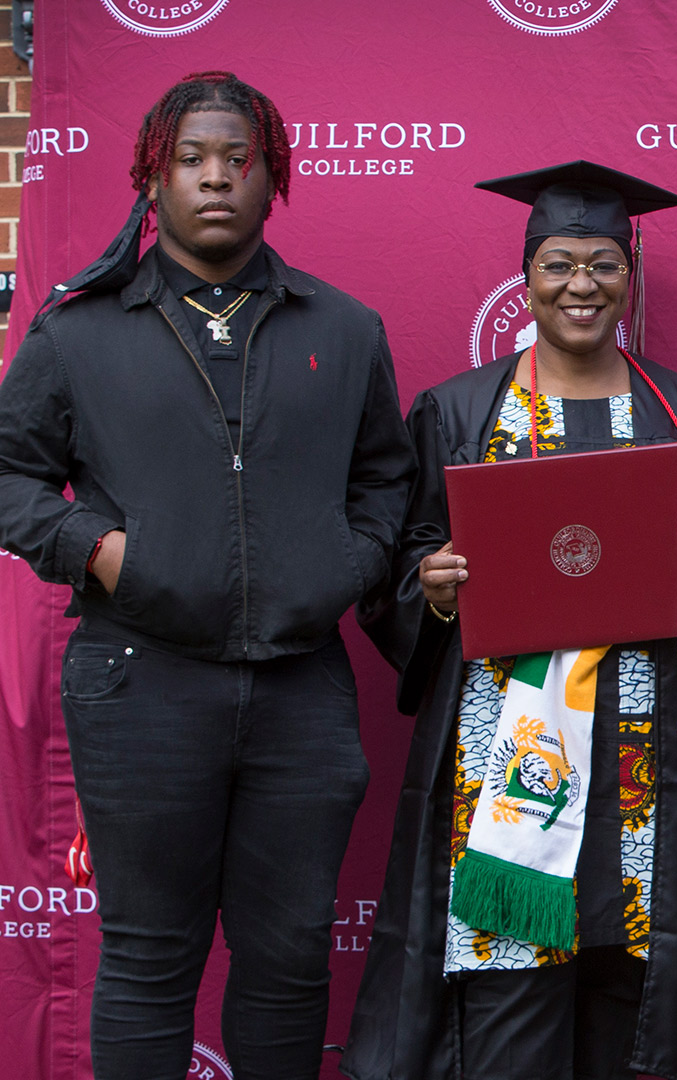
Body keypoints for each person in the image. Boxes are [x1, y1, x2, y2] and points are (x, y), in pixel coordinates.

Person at [0, 71, 414, 1080]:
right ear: (153, 176)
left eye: (240, 158)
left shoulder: (345, 330)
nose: (216, 178)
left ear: (275, 178)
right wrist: (102, 551)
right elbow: (8, 476)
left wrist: (344, 566)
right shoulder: (77, 331)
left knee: (287, 959)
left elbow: (385, 480)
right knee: (149, 958)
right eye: (191, 159)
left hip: (300, 691)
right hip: (139, 682)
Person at [339, 161, 677, 1080]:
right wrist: (431, 584)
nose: (581, 286)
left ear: (629, 278)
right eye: (560, 264)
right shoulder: (459, 411)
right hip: (507, 764)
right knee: (508, 1008)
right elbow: (400, 561)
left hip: (647, 757)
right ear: (525, 278)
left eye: (603, 264)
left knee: (631, 988)